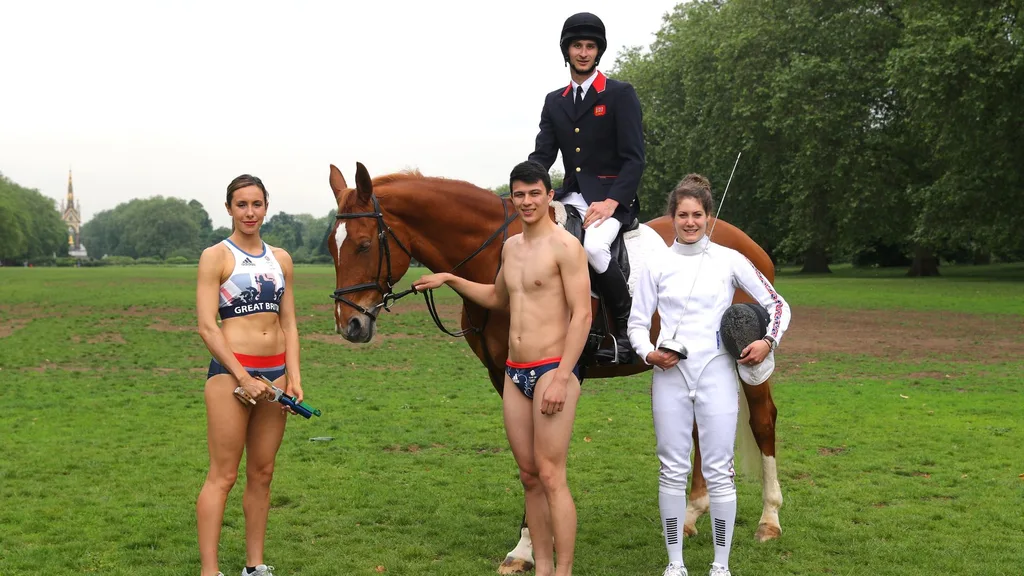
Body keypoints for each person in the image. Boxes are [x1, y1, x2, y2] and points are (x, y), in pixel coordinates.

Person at [413, 161, 592, 576]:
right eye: (519, 194)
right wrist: (449, 278)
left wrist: (563, 376)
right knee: (529, 476)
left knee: (551, 475)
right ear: (512, 199)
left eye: (534, 193)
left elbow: (582, 316)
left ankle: (563, 571)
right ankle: (543, 566)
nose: (527, 201)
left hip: (552, 369)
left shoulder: (566, 247)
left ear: (549, 196)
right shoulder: (510, 248)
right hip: (516, 371)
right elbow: (497, 298)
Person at [627, 175, 791, 576]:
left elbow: (778, 304)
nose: (689, 222)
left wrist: (768, 341)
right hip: (670, 374)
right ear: (673, 216)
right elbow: (635, 323)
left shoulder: (728, 260)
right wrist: (648, 353)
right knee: (672, 469)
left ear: (708, 216)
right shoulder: (655, 264)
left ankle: (720, 565)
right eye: (682, 215)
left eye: (696, 214)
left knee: (719, 470)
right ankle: (675, 563)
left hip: (717, 371)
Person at [195, 174, 303, 576]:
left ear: (266, 207)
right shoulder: (216, 256)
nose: (250, 212)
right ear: (229, 209)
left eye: (256, 204)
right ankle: (210, 570)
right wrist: (242, 377)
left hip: (274, 376)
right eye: (241, 204)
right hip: (230, 373)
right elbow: (207, 326)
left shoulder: (282, 258)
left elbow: (289, 324)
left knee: (262, 472)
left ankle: (254, 566)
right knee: (223, 475)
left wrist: (293, 377)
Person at [527, 11, 646, 363]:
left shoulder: (619, 94)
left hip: (612, 199)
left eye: (589, 46)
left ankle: (623, 332)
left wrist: (611, 203)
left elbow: (634, 159)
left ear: (598, 52)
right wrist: (523, 188)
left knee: (593, 246)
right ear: (567, 51)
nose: (583, 52)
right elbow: (542, 156)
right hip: (571, 196)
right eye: (577, 46)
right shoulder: (555, 101)